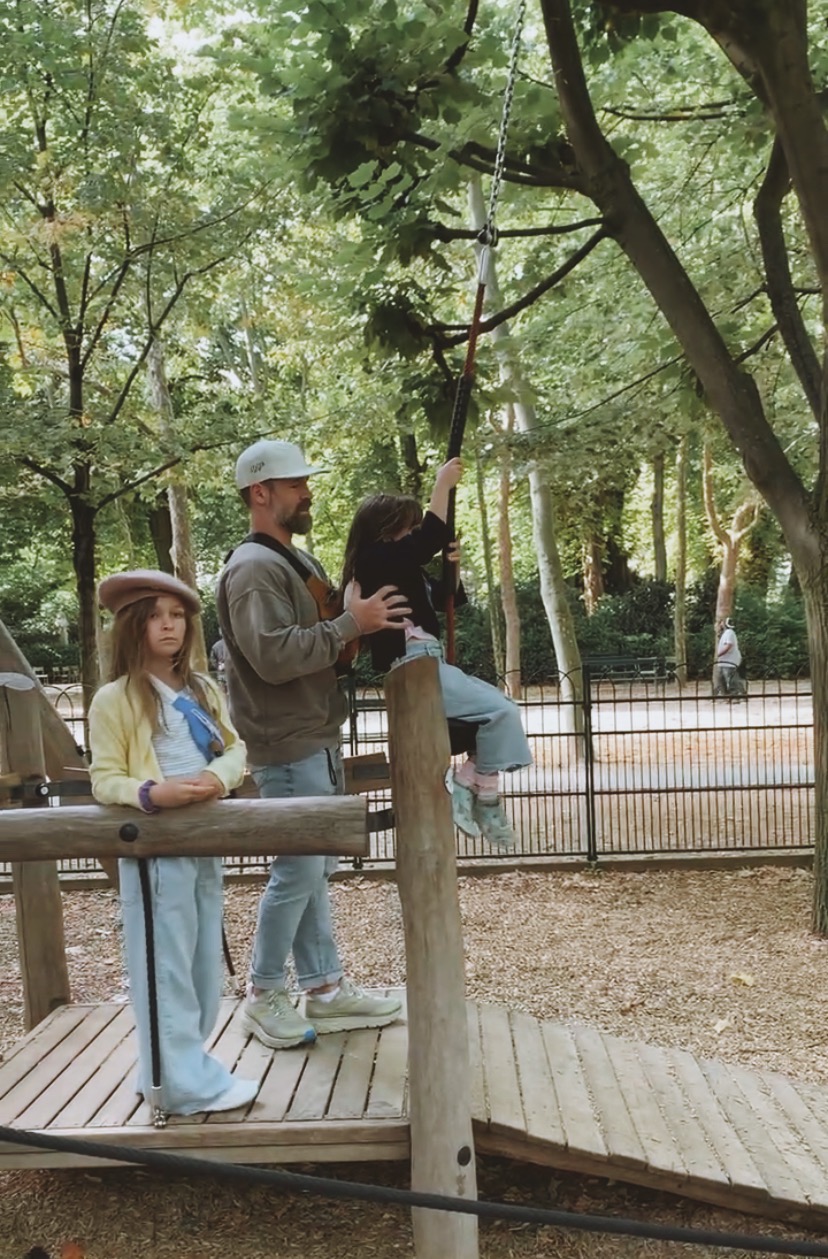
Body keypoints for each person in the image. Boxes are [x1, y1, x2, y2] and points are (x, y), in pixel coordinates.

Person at [217, 438, 410, 1051]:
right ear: (260, 493)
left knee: (309, 871)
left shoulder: (292, 562)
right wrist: (353, 624)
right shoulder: (254, 570)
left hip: (312, 735)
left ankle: (323, 989)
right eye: (296, 484)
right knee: (298, 869)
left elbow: (320, 637)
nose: (308, 493)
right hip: (287, 741)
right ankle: (262, 991)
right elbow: (273, 657)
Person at [88, 570, 258, 1116]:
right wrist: (151, 792)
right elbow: (105, 778)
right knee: (164, 964)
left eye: (178, 615)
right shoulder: (114, 699)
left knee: (203, 958)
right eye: (157, 615)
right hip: (156, 851)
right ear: (134, 625)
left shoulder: (205, 690)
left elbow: (234, 749)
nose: (170, 626)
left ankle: (170, 1068)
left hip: (203, 841)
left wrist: (218, 778)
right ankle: (179, 1084)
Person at [341, 456, 532, 847]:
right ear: (385, 530)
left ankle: (479, 789)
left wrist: (452, 570)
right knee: (502, 711)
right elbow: (428, 538)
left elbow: (445, 597)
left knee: (493, 714)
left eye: (414, 526)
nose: (413, 534)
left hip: (428, 661)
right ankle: (470, 788)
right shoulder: (373, 560)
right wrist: (442, 485)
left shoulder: (400, 569)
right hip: (414, 665)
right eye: (407, 528)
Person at [715, 617, 744, 699]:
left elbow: (728, 645)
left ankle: (736, 696)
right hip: (724, 661)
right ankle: (726, 695)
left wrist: (719, 654)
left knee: (732, 679)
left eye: (721, 623)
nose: (719, 624)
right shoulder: (725, 633)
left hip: (729, 661)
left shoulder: (729, 633)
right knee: (721, 679)